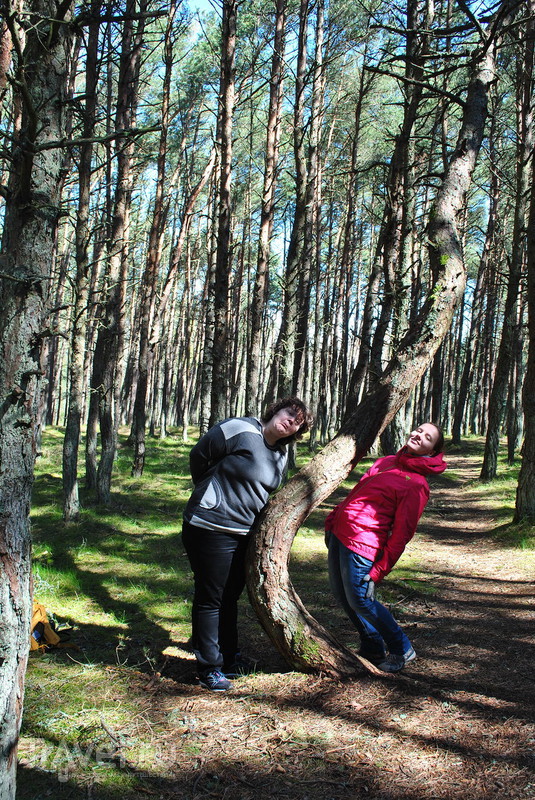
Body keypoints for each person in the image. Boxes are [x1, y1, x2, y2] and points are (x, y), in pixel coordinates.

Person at [182, 397, 313, 691]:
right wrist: (210, 493)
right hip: (209, 526)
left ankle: (229, 658)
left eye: (298, 422)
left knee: (229, 596)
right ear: (275, 410)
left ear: (296, 432)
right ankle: (209, 668)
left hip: (243, 533)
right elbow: (199, 456)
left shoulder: (280, 455)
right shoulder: (239, 428)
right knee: (211, 597)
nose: (291, 421)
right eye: (289, 414)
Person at [325, 422, 446, 673]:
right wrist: (332, 520)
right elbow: (356, 494)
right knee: (344, 597)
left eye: (428, 437)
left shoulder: (417, 485)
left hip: (363, 544)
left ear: (432, 451)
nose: (418, 436)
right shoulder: (386, 461)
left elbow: (403, 533)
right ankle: (372, 647)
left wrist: (381, 568)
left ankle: (402, 648)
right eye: (418, 431)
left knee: (361, 599)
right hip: (339, 534)